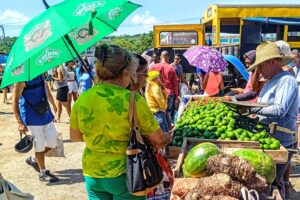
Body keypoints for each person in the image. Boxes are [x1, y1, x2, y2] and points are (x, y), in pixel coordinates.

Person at [70, 44, 171, 200]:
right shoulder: (132, 99)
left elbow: (75, 137)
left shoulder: (82, 99)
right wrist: (168, 137)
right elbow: (158, 140)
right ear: (125, 72)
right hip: (128, 173)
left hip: (93, 173)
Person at [248, 42, 298, 199]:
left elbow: (279, 110)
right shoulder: (270, 80)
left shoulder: (286, 81)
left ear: (272, 62)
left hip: (281, 142)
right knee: (268, 182)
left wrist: (251, 109)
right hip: (269, 139)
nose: (259, 71)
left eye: (261, 66)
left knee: (274, 181)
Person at [12, 75, 59, 183]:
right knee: (39, 146)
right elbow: (14, 102)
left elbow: (47, 93)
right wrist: (20, 123)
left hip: (45, 113)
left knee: (53, 142)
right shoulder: (21, 80)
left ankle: (34, 159)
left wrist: (53, 105)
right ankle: (43, 172)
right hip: (31, 116)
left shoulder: (41, 76)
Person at [149, 51, 179, 124]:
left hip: (156, 94)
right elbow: (175, 84)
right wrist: (176, 97)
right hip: (169, 93)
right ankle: (169, 130)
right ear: (168, 58)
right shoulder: (171, 68)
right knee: (168, 114)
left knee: (158, 113)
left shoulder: (153, 67)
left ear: (160, 57)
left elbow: (148, 80)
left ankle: (161, 130)